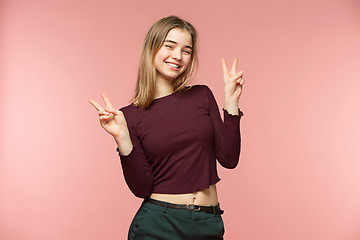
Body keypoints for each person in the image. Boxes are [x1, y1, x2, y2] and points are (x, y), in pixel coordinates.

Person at [88, 15, 245, 240]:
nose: (177, 56)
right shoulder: (129, 116)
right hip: (158, 224)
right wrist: (122, 138)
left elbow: (229, 159)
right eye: (169, 46)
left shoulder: (202, 95)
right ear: (152, 48)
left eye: (186, 50)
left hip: (209, 223)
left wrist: (231, 102)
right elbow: (141, 189)